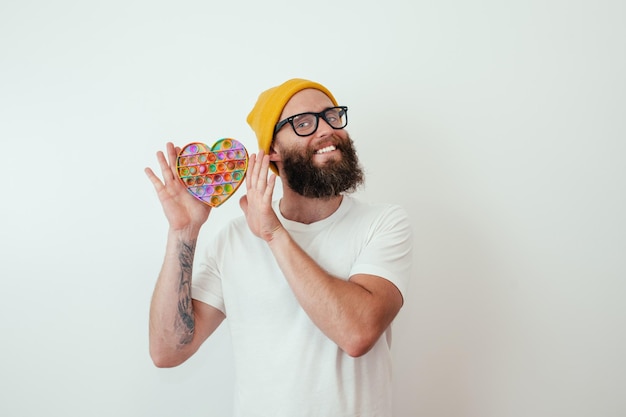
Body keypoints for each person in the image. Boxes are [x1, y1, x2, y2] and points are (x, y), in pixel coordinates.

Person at [145, 78, 413, 417]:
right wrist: (183, 233)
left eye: (332, 116)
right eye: (303, 123)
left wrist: (274, 232)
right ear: (272, 150)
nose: (327, 129)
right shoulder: (234, 240)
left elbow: (357, 333)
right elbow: (168, 351)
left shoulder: (384, 224)